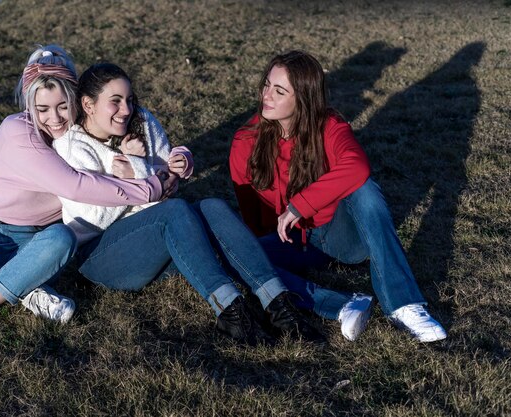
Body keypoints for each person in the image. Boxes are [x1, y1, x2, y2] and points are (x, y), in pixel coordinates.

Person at [0, 45, 168, 354]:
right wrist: (149, 188)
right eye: (42, 108)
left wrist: (175, 159)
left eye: (63, 105)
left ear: (77, 101)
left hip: (35, 246)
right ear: (28, 105)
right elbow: (75, 185)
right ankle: (25, 290)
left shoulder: (81, 135)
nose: (54, 118)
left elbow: (133, 153)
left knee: (62, 238)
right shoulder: (17, 129)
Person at [54, 62, 337, 346]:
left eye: (129, 100)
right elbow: (93, 218)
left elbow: (168, 178)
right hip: (101, 255)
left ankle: (279, 305)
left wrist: (178, 161)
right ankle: (231, 312)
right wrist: (140, 176)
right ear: (89, 105)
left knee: (212, 206)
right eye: (114, 102)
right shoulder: (71, 147)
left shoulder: (140, 120)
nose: (126, 110)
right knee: (175, 212)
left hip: (154, 238)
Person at [229, 50, 447, 343]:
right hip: (286, 240)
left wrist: (299, 206)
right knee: (237, 257)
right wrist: (264, 255)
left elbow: (356, 165)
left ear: (303, 98)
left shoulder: (328, 125)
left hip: (336, 234)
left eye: (279, 91)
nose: (266, 95)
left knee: (363, 188)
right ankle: (344, 304)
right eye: (266, 85)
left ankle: (404, 304)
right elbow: (251, 215)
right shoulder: (245, 141)